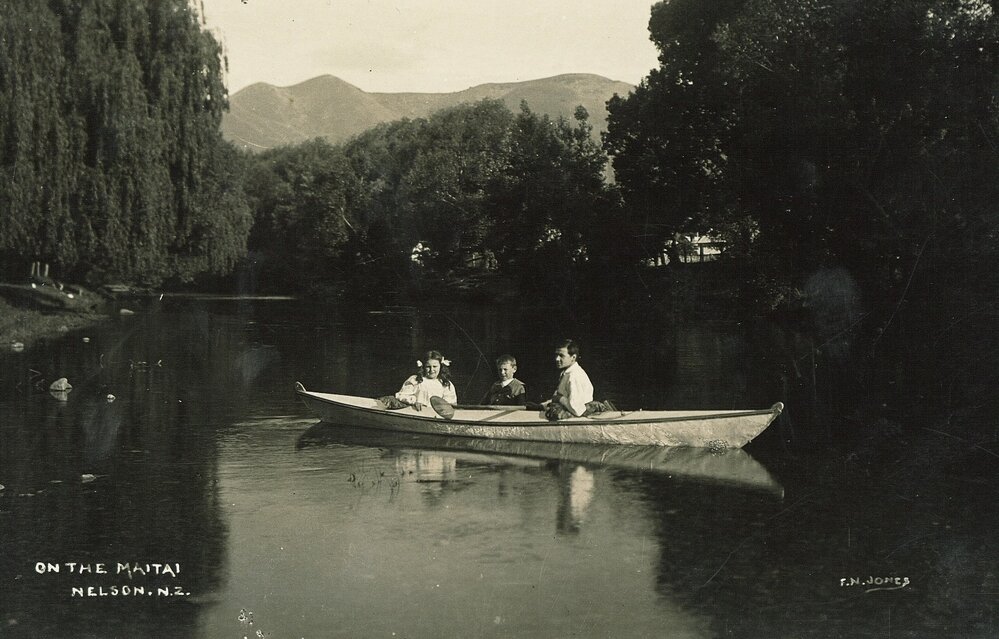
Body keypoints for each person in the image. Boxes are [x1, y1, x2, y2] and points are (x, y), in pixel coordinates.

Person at [541, 339, 594, 420]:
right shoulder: (567, 373)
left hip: (577, 419)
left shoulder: (574, 376)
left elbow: (577, 410)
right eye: (556, 355)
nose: (557, 359)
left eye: (561, 356)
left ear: (573, 357)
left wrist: (559, 399)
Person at [391, 350, 457, 410]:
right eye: (428, 367)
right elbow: (402, 395)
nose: (432, 370)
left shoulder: (445, 383)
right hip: (416, 414)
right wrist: (414, 402)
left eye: (435, 366)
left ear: (440, 366)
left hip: (436, 417)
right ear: (423, 366)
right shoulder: (415, 380)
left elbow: (450, 404)